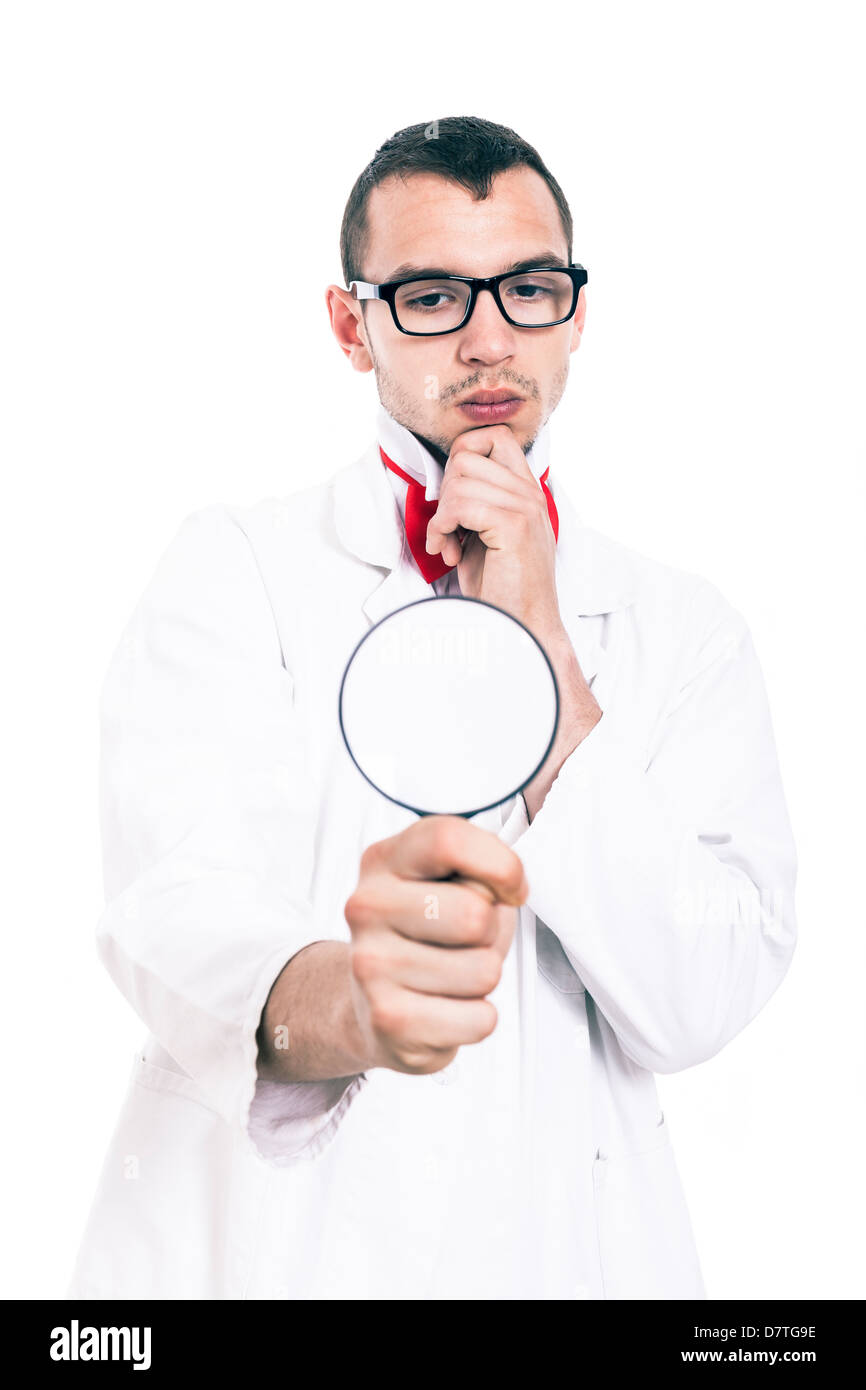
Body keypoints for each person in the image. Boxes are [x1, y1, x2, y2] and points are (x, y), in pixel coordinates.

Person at [67, 115, 798, 1301]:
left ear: (576, 313)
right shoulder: (233, 570)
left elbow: (699, 997)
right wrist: (355, 1007)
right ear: (350, 326)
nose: (488, 339)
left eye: (527, 287)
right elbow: (170, 911)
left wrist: (545, 640)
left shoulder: (684, 631)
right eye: (429, 298)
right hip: (273, 1260)